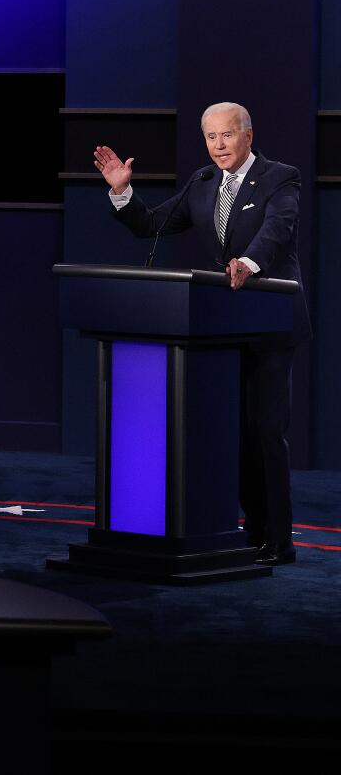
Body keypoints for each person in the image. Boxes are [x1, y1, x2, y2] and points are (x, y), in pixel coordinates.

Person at [93, 102, 310, 565]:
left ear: (248, 135)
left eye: (226, 135)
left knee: (266, 430)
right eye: (210, 137)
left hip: (271, 322)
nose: (218, 146)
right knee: (237, 433)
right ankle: (253, 529)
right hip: (223, 326)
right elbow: (151, 225)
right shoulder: (203, 183)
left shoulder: (280, 177)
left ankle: (279, 539)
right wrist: (123, 193)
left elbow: (278, 229)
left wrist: (249, 263)